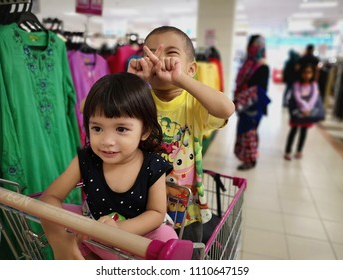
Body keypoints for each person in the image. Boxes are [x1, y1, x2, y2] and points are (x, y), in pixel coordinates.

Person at [40, 72, 178, 260]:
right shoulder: (87, 159)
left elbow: (155, 213)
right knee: (57, 212)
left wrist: (118, 230)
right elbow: (51, 197)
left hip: (137, 243)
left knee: (166, 236)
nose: (107, 141)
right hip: (93, 236)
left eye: (121, 129)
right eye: (97, 128)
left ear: (144, 130)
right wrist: (59, 240)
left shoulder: (152, 165)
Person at [127, 26, 235, 244]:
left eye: (171, 54)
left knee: (186, 254)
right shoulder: (138, 100)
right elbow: (91, 108)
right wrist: (132, 83)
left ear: (192, 68)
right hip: (141, 207)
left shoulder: (193, 103)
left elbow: (226, 108)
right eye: (153, 54)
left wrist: (180, 78)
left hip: (186, 211)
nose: (161, 61)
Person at [233, 34, 271, 171]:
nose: (256, 48)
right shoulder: (248, 64)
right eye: (254, 45)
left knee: (249, 133)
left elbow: (260, 89)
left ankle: (251, 159)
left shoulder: (262, 66)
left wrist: (240, 98)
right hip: (244, 105)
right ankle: (248, 157)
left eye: (258, 45)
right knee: (246, 132)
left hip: (253, 106)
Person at [284, 63, 320, 160]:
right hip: (297, 111)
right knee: (293, 130)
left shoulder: (314, 85)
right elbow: (297, 97)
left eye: (309, 72)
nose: (307, 75)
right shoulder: (296, 84)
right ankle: (287, 151)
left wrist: (308, 109)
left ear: (312, 74)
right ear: (300, 73)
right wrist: (304, 108)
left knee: (304, 132)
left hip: (307, 112)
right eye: (304, 72)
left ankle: (299, 151)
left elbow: (314, 98)